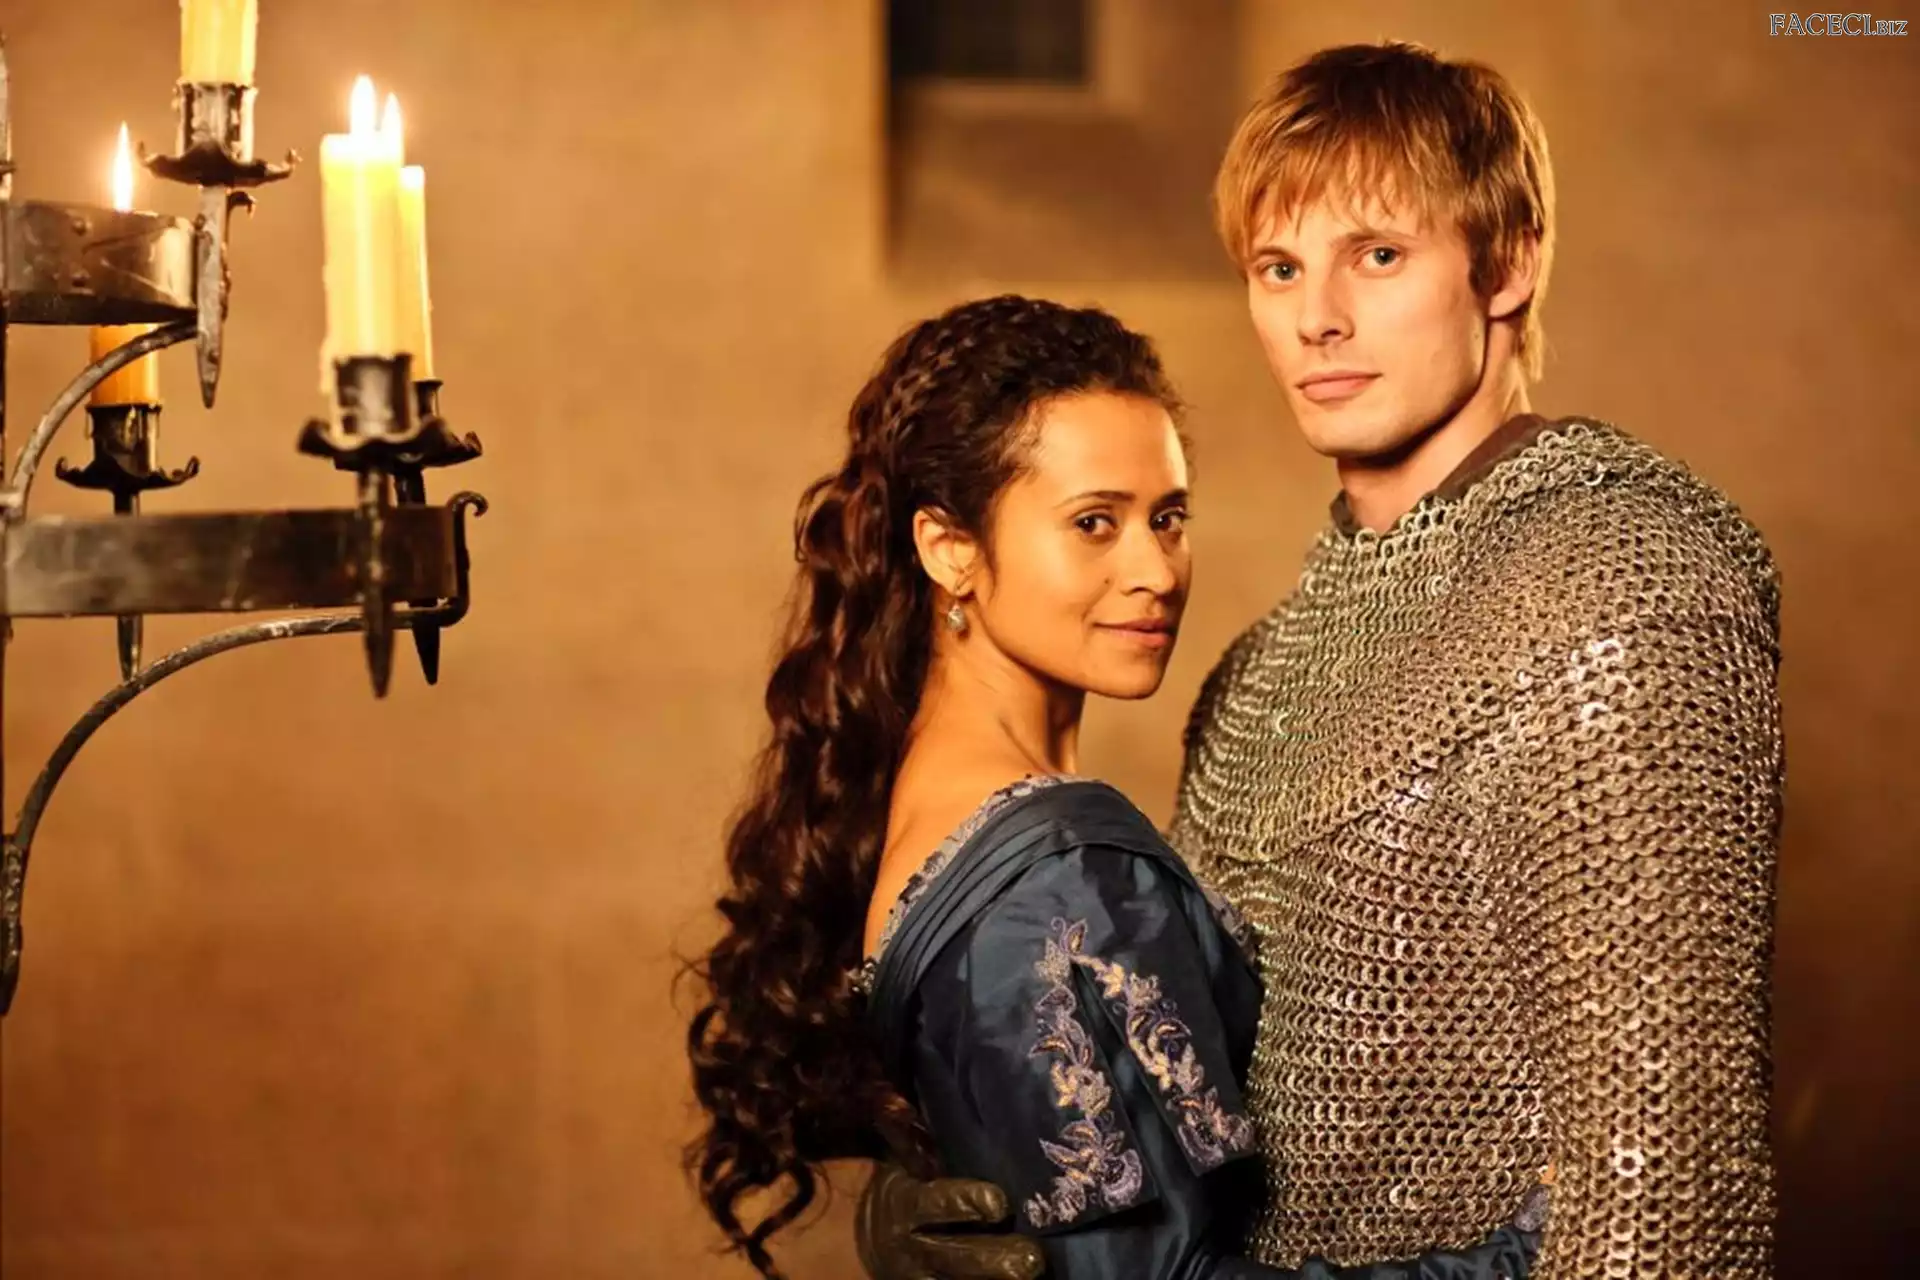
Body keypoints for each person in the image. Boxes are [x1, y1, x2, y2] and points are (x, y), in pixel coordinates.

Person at [855, 41, 1782, 1280]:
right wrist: (980, 1180)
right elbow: (1174, 1097)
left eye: (1377, 255)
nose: (1316, 317)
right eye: (1279, 267)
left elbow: (1666, 1189)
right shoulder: (1259, 674)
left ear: (1508, 264)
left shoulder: (1619, 586)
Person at [685, 294, 1538, 1279]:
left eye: (1168, 518)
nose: (1156, 571)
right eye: (1094, 523)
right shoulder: (1067, 877)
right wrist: (1527, 1255)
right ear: (950, 548)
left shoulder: (924, 799)